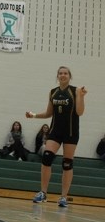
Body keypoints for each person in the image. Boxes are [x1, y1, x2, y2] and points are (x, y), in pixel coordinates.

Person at [26, 65, 87, 207]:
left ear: (69, 76)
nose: (63, 75)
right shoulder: (53, 92)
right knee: (47, 157)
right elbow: (48, 113)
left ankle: (64, 197)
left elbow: (80, 112)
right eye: (60, 73)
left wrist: (82, 97)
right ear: (57, 76)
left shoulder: (76, 91)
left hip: (71, 132)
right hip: (55, 131)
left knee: (67, 163)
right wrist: (33, 115)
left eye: (65, 73)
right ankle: (43, 192)